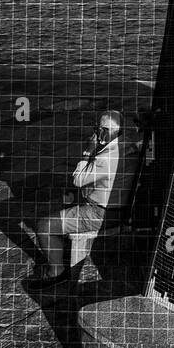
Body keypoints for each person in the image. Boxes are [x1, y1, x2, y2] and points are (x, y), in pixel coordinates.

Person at [26, 109, 142, 289]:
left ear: (107, 131)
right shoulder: (128, 145)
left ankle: (56, 272)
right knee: (67, 198)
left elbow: (78, 178)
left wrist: (88, 151)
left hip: (100, 214)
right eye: (96, 128)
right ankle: (60, 245)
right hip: (120, 207)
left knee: (44, 226)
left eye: (99, 128)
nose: (96, 132)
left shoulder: (107, 158)